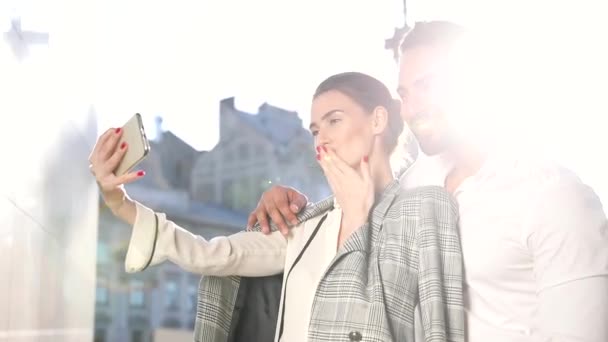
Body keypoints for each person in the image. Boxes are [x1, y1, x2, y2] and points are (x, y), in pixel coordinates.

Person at [247, 22, 608, 342]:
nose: (412, 108)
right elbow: (349, 252)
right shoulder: (411, 185)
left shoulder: (554, 197)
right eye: (405, 93)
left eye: (428, 86)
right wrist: (288, 203)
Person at [89, 72, 464, 342]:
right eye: (316, 130)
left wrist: (358, 219)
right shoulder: (308, 224)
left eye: (335, 120)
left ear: (378, 119)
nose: (324, 138)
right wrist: (118, 200)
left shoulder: (425, 211)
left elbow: (434, 328)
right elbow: (211, 256)